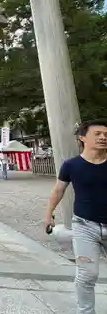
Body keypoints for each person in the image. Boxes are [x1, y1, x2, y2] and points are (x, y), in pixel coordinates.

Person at [44, 120, 107, 314]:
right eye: (97, 134)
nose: (103, 137)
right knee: (87, 275)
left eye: (106, 134)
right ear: (82, 138)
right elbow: (58, 190)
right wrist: (48, 214)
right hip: (84, 225)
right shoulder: (71, 165)